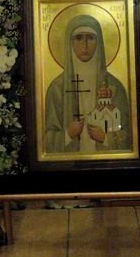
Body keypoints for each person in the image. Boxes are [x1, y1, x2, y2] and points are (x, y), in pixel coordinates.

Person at [44, 14, 130, 154]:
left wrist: (105, 138)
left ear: (99, 42)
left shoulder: (114, 87)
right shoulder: (57, 87)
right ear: (69, 43)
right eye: (78, 38)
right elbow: (45, 140)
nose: (84, 45)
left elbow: (129, 134)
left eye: (90, 38)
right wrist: (68, 134)